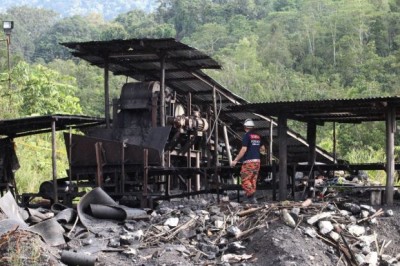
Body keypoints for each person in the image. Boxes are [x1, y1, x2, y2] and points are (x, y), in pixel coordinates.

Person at [231, 118, 262, 204]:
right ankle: (252, 200)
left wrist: (235, 160)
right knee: (253, 179)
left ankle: (252, 197)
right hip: (257, 161)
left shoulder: (247, 136)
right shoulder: (258, 136)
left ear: (245, 127)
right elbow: (262, 149)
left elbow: (244, 149)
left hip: (249, 162)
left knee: (245, 179)